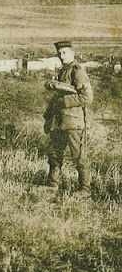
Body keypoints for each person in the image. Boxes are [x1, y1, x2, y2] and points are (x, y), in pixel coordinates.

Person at [43, 41, 93, 195]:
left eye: (64, 53)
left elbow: (87, 97)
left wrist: (64, 102)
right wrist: (48, 115)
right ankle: (53, 184)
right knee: (54, 154)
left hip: (74, 122)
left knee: (79, 157)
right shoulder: (64, 71)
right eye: (59, 53)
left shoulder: (77, 71)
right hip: (60, 122)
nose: (61, 56)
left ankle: (85, 190)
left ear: (72, 53)